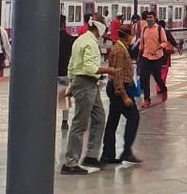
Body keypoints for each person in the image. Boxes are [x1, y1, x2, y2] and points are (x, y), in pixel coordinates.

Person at [62, 16, 111, 175]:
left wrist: (71, 81)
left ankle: (90, 155)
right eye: (104, 25)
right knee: (80, 123)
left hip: (87, 83)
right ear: (99, 27)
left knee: (99, 117)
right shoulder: (89, 42)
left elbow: (71, 63)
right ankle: (70, 163)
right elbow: (90, 68)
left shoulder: (81, 40)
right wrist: (109, 71)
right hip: (85, 82)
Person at [100, 24, 141, 166]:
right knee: (134, 117)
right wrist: (124, 96)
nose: (132, 38)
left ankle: (108, 154)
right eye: (132, 35)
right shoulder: (119, 51)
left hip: (118, 88)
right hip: (119, 89)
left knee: (113, 121)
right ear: (127, 35)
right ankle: (126, 151)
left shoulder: (121, 48)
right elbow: (116, 74)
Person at [139, 12, 168, 107]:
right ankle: (147, 99)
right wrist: (140, 52)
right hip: (146, 56)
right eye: (147, 17)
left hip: (157, 57)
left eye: (151, 17)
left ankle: (163, 89)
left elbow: (165, 42)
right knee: (144, 78)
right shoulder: (144, 29)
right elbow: (142, 43)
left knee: (157, 77)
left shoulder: (160, 29)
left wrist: (159, 47)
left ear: (155, 18)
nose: (149, 19)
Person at [58, 14, 75, 131]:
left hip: (48, 73)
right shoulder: (69, 39)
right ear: (64, 24)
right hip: (65, 71)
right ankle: (64, 121)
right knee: (64, 97)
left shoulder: (48, 37)